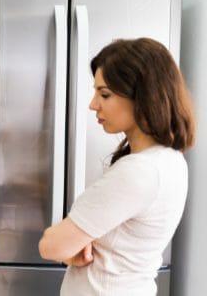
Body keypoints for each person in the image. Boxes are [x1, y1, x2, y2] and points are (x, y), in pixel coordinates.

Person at [38, 37, 195, 295]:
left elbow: (51, 246)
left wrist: (67, 249)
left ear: (143, 97)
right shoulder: (170, 160)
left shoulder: (139, 172)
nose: (92, 104)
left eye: (104, 94)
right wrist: (73, 246)